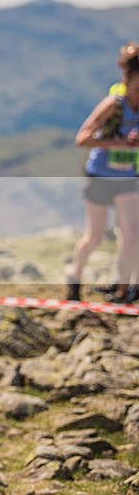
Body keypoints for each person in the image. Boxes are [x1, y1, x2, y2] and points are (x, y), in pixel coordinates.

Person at [68, 43, 139, 303]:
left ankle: (123, 291)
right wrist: (120, 143)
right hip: (99, 176)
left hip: (128, 178)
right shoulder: (113, 104)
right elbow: (82, 139)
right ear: (128, 79)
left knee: (131, 236)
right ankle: (74, 279)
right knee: (95, 237)